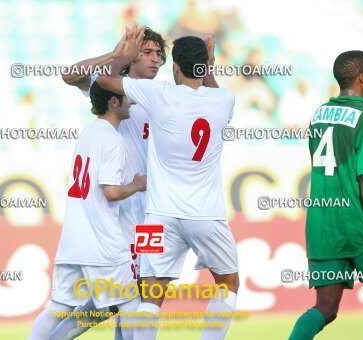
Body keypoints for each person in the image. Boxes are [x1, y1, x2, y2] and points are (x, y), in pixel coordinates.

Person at [97, 31, 239, 340]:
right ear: (205, 65)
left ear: (175, 67)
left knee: (149, 296)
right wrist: (209, 65)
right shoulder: (224, 99)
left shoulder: (158, 93)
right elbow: (213, 91)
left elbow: (103, 80)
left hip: (157, 216)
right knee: (228, 284)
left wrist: (123, 54)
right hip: (206, 215)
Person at [289, 50, 363, 340]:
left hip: (323, 227)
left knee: (325, 307)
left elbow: (338, 175)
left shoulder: (319, 115)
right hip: (358, 227)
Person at [28, 79, 146, 340]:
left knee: (58, 307)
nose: (131, 102)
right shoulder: (114, 140)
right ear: (114, 102)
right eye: (126, 98)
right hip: (102, 240)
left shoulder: (88, 133)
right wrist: (137, 185)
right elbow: (111, 191)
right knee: (131, 306)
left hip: (72, 239)